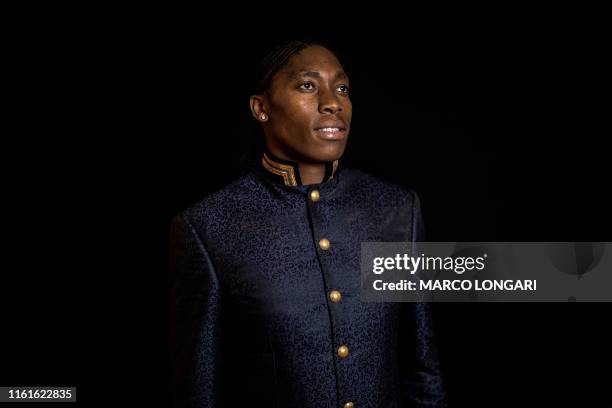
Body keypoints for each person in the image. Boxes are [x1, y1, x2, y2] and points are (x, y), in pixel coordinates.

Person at [169, 39, 447, 408]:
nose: (333, 102)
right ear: (261, 108)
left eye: (343, 88)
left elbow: (422, 370)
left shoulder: (396, 210)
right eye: (307, 85)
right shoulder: (208, 228)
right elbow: (197, 393)